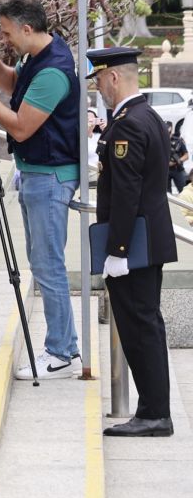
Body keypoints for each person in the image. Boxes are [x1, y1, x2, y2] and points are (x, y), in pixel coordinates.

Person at [0, 0, 83, 378]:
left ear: (27, 28)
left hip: (49, 176)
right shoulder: (38, 54)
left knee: (48, 266)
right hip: (35, 171)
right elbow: (12, 84)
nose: (5, 38)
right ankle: (64, 346)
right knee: (43, 263)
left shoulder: (54, 71)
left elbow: (21, 126)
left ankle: (60, 352)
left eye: (7, 33)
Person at [87, 45, 178, 436]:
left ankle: (154, 413)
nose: (98, 88)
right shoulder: (148, 116)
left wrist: (117, 251)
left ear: (112, 78)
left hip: (135, 243)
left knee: (140, 326)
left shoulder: (126, 124)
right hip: (148, 237)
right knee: (145, 324)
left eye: (99, 80)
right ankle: (153, 409)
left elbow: (126, 192)